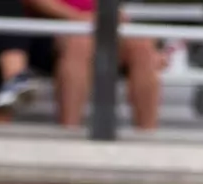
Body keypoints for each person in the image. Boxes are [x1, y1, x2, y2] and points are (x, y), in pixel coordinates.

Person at [27, 0, 164, 131]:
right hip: (51, 26)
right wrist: (78, 17)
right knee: (80, 44)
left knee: (143, 46)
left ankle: (147, 132)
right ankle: (69, 129)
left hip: (96, 25)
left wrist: (112, 14)